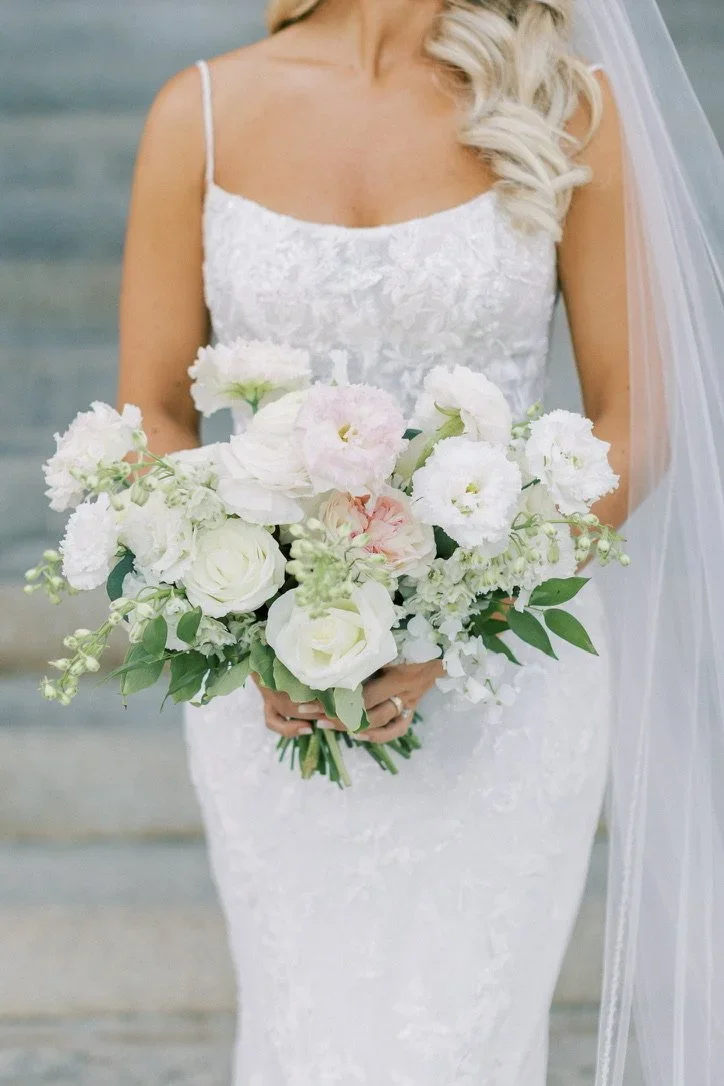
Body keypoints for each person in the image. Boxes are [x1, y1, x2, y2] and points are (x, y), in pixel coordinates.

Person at [116, 2, 724, 1083]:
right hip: (268, 689)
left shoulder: (564, 106)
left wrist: (466, 612)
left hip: (505, 678)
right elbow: (153, 413)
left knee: (465, 1040)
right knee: (306, 1034)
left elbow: (637, 415)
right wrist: (252, 616)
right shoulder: (198, 114)